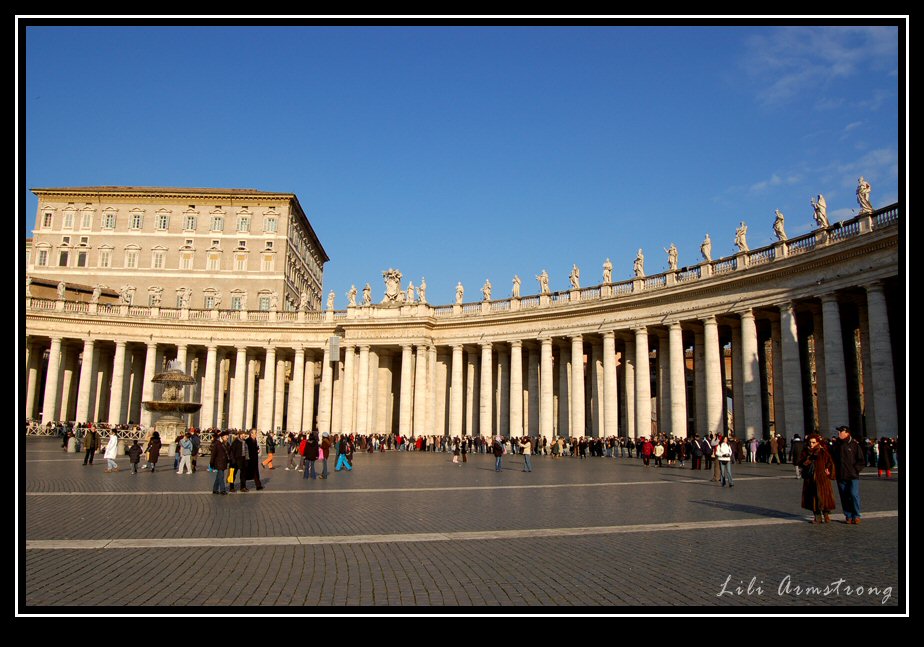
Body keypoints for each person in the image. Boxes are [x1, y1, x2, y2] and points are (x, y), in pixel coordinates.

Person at [831, 425, 866, 525]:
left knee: (854, 494)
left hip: (852, 475)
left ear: (847, 433)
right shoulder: (836, 445)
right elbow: (831, 459)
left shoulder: (854, 445)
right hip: (841, 475)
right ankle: (848, 515)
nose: (838, 434)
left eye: (840, 432)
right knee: (844, 496)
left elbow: (861, 460)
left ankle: (856, 515)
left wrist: (855, 470)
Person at [799, 434, 837, 523]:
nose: (811, 444)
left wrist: (828, 470)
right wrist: (809, 459)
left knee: (824, 497)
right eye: (810, 442)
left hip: (822, 478)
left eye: (813, 442)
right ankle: (817, 517)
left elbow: (830, 462)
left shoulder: (823, 451)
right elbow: (800, 463)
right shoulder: (805, 452)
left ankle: (826, 515)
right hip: (810, 478)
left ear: (817, 442)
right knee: (813, 498)